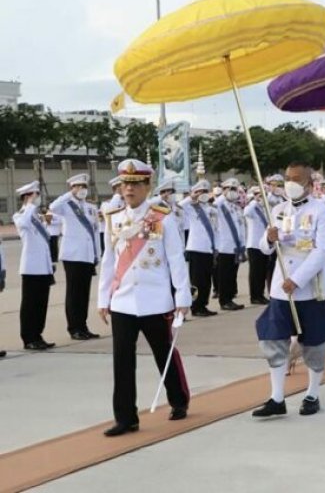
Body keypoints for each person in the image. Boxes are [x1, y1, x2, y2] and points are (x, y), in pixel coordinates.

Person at [97, 160, 191, 436]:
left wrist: (182, 297)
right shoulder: (113, 217)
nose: (129, 189)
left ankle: (178, 399)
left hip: (155, 299)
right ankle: (126, 418)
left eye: (135, 184)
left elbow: (176, 259)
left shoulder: (162, 217)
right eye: (125, 184)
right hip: (123, 300)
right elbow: (108, 261)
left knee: (164, 353)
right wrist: (103, 299)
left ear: (147, 186)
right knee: (122, 360)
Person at [252, 161, 325, 418]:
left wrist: (298, 279)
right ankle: (277, 397)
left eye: (296, 179)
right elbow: (264, 247)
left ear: (310, 184)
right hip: (281, 287)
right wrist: (269, 238)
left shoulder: (322, 211)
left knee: (315, 341)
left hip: (310, 287)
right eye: (287, 177)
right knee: (273, 338)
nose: (290, 183)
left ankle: (312, 394)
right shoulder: (277, 209)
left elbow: (321, 251)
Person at [49, 173, 100, 340]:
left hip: (86, 255)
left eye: (84, 186)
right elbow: (53, 207)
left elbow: (94, 232)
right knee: (74, 293)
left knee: (84, 293)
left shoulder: (91, 208)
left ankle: (83, 326)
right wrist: (69, 194)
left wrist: (96, 254)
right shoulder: (66, 205)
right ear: (72, 188)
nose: (82, 190)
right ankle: (74, 328)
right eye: (78, 187)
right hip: (72, 255)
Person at [13, 181, 56, 351]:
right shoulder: (20, 215)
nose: (38, 198)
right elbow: (23, 224)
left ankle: (38, 335)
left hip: (42, 267)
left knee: (41, 305)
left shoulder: (36, 216)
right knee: (30, 305)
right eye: (35, 195)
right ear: (28, 196)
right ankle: (28, 338)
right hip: (30, 268)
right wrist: (30, 205)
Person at [180, 180, 219, 317]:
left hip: (208, 248)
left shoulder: (211, 209)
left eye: (205, 191)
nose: (203, 194)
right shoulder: (192, 207)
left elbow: (215, 229)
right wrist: (192, 197)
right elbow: (180, 205)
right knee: (197, 281)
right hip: (196, 249)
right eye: (200, 191)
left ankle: (203, 305)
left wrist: (216, 247)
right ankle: (196, 307)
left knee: (206, 281)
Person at [214, 178, 246, 311]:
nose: (233, 192)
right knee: (224, 275)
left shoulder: (235, 206)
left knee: (232, 275)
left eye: (235, 189)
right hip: (224, 246)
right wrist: (222, 194)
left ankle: (230, 299)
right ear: (224, 190)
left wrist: (242, 244)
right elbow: (215, 204)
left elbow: (240, 226)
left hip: (235, 246)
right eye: (230, 189)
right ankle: (224, 301)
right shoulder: (219, 204)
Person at [244, 186, 271, 305]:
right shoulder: (252, 207)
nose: (261, 196)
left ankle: (260, 294)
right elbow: (246, 212)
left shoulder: (264, 208)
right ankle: (254, 296)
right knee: (255, 272)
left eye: (263, 194)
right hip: (254, 245)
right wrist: (255, 200)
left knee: (262, 272)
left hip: (263, 244)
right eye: (259, 194)